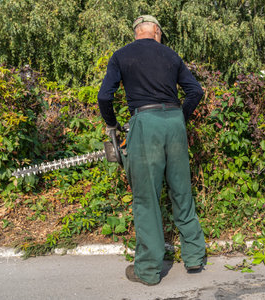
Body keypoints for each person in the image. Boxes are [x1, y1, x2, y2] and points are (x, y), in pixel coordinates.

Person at [97, 15, 206, 286]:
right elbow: (195, 91)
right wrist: (181, 117)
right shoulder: (171, 55)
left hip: (145, 123)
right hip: (174, 123)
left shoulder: (121, 55)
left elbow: (104, 97)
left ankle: (148, 269)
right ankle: (194, 256)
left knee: (147, 198)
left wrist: (111, 124)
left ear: (137, 32)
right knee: (182, 191)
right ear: (156, 31)